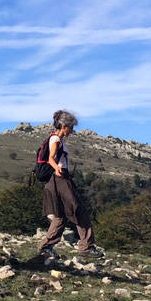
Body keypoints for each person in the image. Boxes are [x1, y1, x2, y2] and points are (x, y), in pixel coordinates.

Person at [37, 110, 98, 260]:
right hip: (59, 179)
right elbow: (51, 158)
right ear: (64, 126)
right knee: (79, 211)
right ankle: (86, 247)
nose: (72, 130)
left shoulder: (55, 139)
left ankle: (46, 247)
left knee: (60, 216)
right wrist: (57, 168)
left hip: (56, 180)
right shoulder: (56, 140)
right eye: (71, 127)